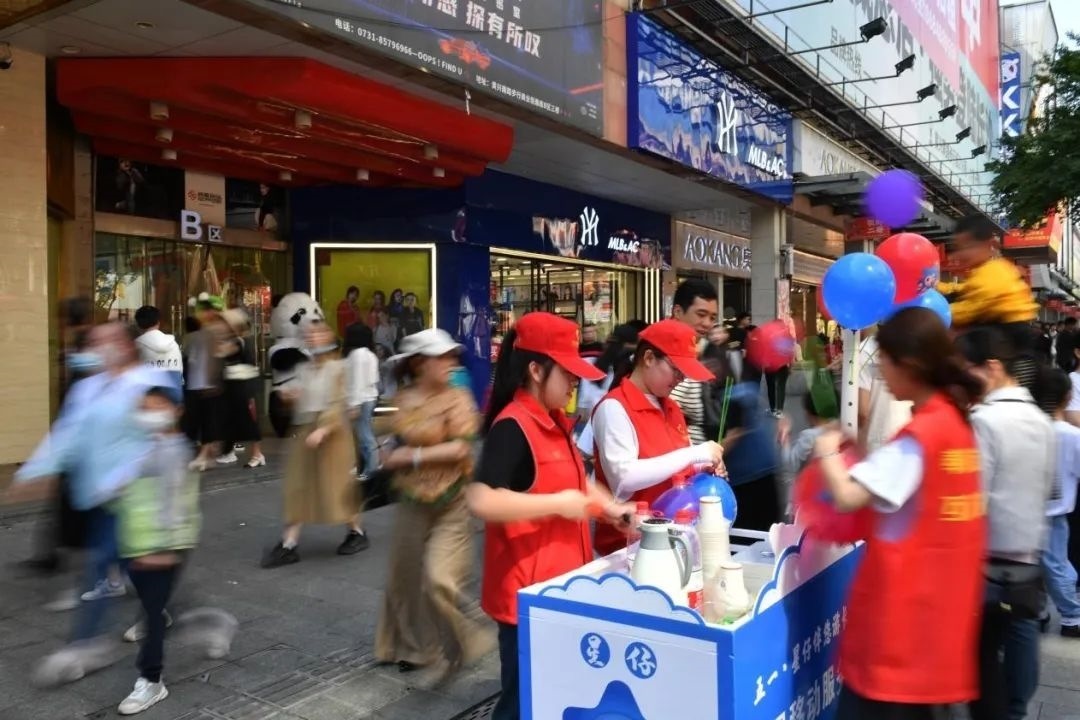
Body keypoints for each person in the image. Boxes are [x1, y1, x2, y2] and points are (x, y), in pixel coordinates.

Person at [811, 307, 987, 719]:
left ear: (908, 365)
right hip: (935, 622)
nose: (881, 375)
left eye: (884, 363)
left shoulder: (919, 438)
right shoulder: (954, 424)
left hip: (898, 631)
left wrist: (825, 449)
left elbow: (847, 496)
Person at [467, 312, 635, 720]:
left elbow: (577, 481)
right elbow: (480, 499)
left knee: (552, 697)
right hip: (526, 598)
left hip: (560, 589)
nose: (576, 382)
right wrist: (556, 504)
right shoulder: (512, 426)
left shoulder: (556, 421)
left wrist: (611, 509)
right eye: (568, 373)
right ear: (536, 370)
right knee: (521, 703)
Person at [18, 324, 160, 680]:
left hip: (132, 497)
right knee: (131, 565)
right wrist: (34, 471)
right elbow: (67, 435)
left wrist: (123, 479)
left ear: (125, 346)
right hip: (97, 496)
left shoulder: (148, 385)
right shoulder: (88, 387)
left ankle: (85, 645)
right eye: (95, 342)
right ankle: (174, 612)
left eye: (104, 341)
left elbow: (157, 442)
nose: (96, 348)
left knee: (100, 567)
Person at [374, 328, 493, 684]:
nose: (451, 362)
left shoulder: (458, 398)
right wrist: (397, 454)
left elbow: (460, 449)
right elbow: (387, 449)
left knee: (439, 578)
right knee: (404, 577)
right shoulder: (402, 399)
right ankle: (415, 648)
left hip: (452, 500)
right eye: (443, 357)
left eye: (452, 356)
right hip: (412, 500)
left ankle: (464, 641)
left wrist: (410, 456)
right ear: (420, 363)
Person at [956, 326, 1055, 720]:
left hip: (987, 557)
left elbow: (974, 497)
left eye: (969, 369)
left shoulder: (984, 421)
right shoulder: (1040, 419)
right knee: (1021, 642)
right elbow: (1050, 487)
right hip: (1029, 554)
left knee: (982, 656)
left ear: (992, 367)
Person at [591, 318, 725, 555]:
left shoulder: (671, 407)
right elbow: (623, 477)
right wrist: (693, 454)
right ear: (649, 358)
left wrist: (702, 466)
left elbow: (676, 466)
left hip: (674, 540)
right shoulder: (614, 408)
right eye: (676, 370)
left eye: (684, 373)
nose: (680, 379)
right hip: (627, 548)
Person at [112, 385, 201, 715]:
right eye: (145, 407)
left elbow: (177, 502)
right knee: (150, 601)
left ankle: (151, 680)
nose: (150, 413)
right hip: (134, 540)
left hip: (165, 545)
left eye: (158, 406)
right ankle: (162, 610)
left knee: (151, 613)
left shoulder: (177, 451)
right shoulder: (142, 445)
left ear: (177, 410)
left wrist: (164, 547)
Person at [261, 325, 367, 568]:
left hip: (333, 435)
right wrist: (291, 398)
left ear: (329, 337)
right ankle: (289, 543)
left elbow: (339, 404)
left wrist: (324, 429)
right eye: (309, 335)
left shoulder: (339, 368)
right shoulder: (304, 368)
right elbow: (302, 400)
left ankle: (357, 532)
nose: (312, 338)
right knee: (298, 486)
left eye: (318, 334)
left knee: (338, 488)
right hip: (306, 431)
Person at [940, 215, 1038, 348]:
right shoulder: (983, 270)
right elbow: (963, 289)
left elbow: (970, 309)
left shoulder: (995, 272)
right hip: (996, 330)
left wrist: (937, 311)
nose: (961, 254)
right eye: (958, 248)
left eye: (968, 247)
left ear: (989, 245)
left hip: (1009, 336)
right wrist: (936, 286)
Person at [1038, 367, 1080, 639]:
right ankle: (1072, 616)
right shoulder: (1072, 435)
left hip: (1027, 510)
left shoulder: (1030, 429)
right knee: (1057, 564)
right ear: (1067, 397)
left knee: (1039, 565)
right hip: (1055, 512)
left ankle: (1039, 611)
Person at [667, 279, 720, 445]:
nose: (707, 324)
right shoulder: (662, 356)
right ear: (678, 311)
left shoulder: (699, 353)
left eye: (712, 318)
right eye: (701, 315)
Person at [214, 309, 265, 468]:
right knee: (231, 420)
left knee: (250, 421)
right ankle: (229, 451)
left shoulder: (239, 342)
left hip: (244, 387)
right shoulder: (234, 340)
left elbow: (222, 352)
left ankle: (257, 454)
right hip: (233, 386)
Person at [185, 296, 226, 472]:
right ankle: (207, 455)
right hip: (197, 383)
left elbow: (215, 358)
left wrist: (212, 380)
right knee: (202, 420)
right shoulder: (199, 334)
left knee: (207, 421)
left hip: (207, 384)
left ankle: (204, 456)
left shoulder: (213, 332)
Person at [858, 329, 913, 453]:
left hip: (877, 438)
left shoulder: (866, 349)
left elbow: (863, 410)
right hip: (908, 437)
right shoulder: (914, 344)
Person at [344, 323, 380, 478]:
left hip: (361, 399)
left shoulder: (357, 355)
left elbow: (357, 381)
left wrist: (354, 404)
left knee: (364, 435)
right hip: (369, 397)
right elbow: (374, 379)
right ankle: (367, 467)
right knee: (365, 434)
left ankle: (371, 469)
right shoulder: (370, 354)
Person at [133, 305, 183, 392]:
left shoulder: (136, 346)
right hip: (174, 391)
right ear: (158, 322)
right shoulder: (173, 343)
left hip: (150, 394)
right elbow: (180, 371)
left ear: (138, 324)